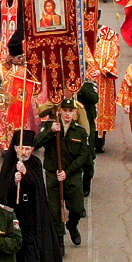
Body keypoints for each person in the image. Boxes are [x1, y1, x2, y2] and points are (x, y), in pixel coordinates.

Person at [0, 135, 65, 262]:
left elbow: (38, 187)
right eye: (21, 148)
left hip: (30, 209)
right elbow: (2, 188)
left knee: (30, 240)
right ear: (15, 148)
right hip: (13, 209)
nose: (24, 152)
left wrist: (26, 173)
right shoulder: (9, 163)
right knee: (13, 240)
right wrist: (14, 181)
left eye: (27, 149)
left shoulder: (35, 163)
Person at [40, 101, 94, 245]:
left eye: (71, 111)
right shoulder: (49, 127)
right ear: (60, 111)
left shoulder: (80, 132)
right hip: (53, 173)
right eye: (65, 110)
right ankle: (60, 240)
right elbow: (36, 143)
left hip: (72, 174)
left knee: (77, 208)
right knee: (54, 211)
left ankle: (72, 225)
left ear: (75, 113)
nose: (68, 113)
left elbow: (83, 156)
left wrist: (67, 172)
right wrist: (50, 131)